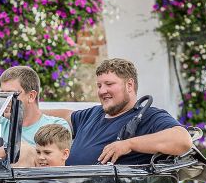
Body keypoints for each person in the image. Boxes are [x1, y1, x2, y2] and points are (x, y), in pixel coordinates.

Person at [52, 58, 192, 166]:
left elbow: (182, 140)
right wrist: (30, 109)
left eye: (109, 84)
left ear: (129, 85)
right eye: (99, 86)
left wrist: (128, 145)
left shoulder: (148, 116)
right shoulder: (92, 114)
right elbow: (65, 115)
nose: (101, 91)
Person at [0, 65, 69, 156]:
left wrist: (9, 150)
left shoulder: (56, 126)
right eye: (3, 95)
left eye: (11, 95)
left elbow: (52, 162)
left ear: (31, 96)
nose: (5, 101)